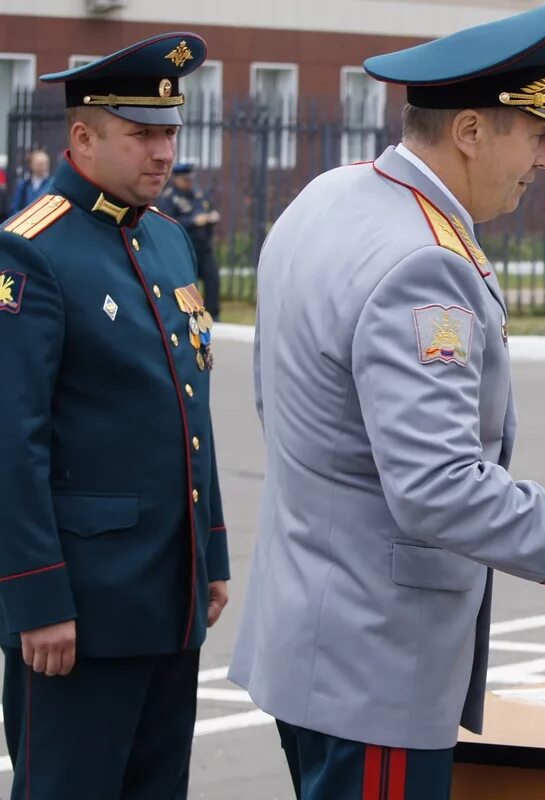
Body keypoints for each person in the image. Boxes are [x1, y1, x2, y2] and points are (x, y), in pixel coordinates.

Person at [228, 2, 545, 797]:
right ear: (469, 132)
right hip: (375, 669)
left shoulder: (331, 198)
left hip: (309, 640)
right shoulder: (426, 263)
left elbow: (288, 411)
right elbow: (439, 488)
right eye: (535, 135)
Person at [0, 33, 229, 798]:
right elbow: (12, 439)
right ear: (83, 137)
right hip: (79, 613)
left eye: (169, 133)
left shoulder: (166, 241)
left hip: (169, 595)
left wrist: (213, 555)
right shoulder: (30, 252)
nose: (163, 153)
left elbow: (188, 405)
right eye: (142, 134)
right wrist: (35, 597)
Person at [159, 161, 222, 319]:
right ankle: (191, 314)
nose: (189, 182)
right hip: (185, 249)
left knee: (212, 278)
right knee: (188, 283)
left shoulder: (199, 194)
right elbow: (168, 222)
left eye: (190, 179)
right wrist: (193, 221)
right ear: (176, 179)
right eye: (185, 179)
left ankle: (213, 315)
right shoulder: (170, 198)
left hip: (204, 248)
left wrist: (211, 217)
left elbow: (209, 209)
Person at [9, 148, 52, 215]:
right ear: (31, 165)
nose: (44, 167)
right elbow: (14, 209)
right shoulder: (23, 185)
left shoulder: (53, 184)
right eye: (40, 164)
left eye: (46, 163)